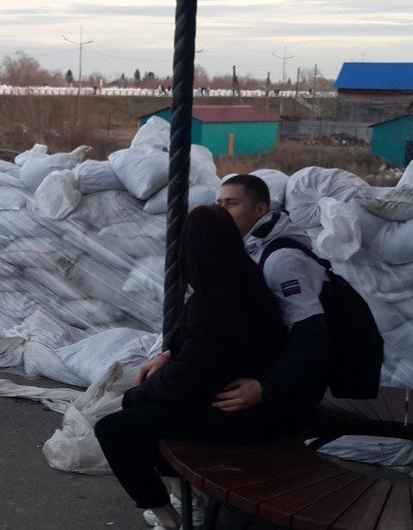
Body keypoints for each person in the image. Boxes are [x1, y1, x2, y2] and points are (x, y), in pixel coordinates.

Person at [95, 205, 290, 530]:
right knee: (142, 409)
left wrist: (143, 391)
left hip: (230, 416)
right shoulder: (248, 281)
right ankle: (186, 497)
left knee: (113, 429)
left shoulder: (212, 301)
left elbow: (190, 378)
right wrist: (165, 357)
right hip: (238, 403)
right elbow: (196, 351)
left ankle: (170, 519)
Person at [212, 174, 329, 417]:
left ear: (260, 209)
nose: (222, 211)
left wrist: (267, 386)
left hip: (286, 389)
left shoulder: (280, 260)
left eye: (232, 203)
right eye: (219, 203)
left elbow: (309, 332)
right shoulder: (246, 250)